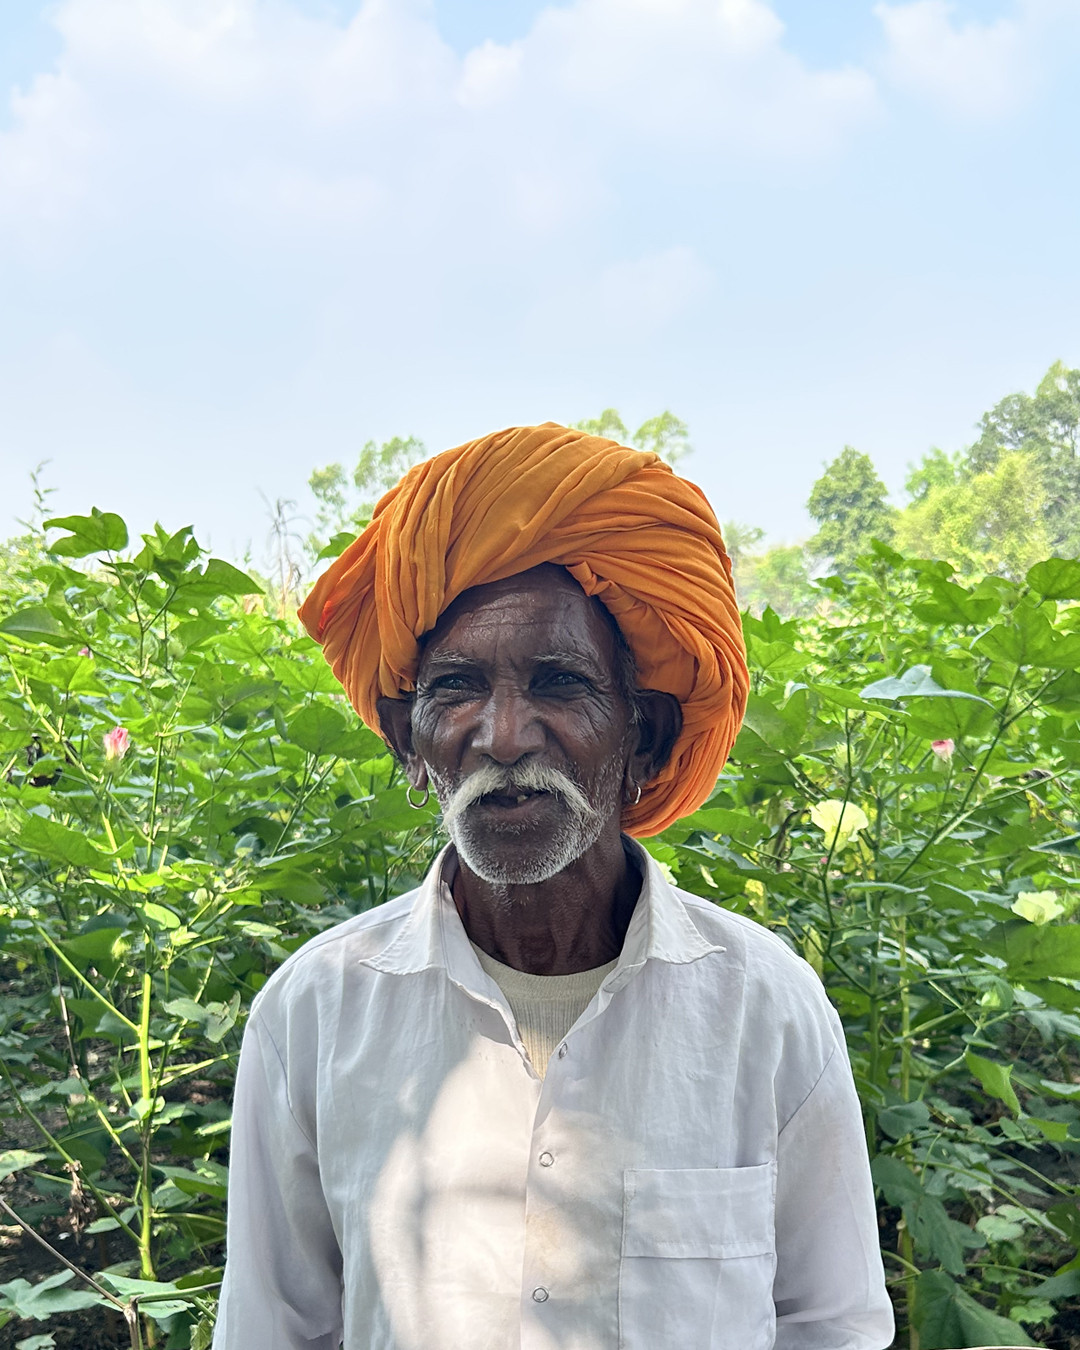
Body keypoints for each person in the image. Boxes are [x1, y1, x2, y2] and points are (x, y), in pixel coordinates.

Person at [212, 424, 894, 1350]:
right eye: (455, 688)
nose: (502, 735)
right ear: (409, 744)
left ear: (644, 736)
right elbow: (272, 1332)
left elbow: (833, 1327)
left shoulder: (764, 1007)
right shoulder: (313, 1014)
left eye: (558, 684)